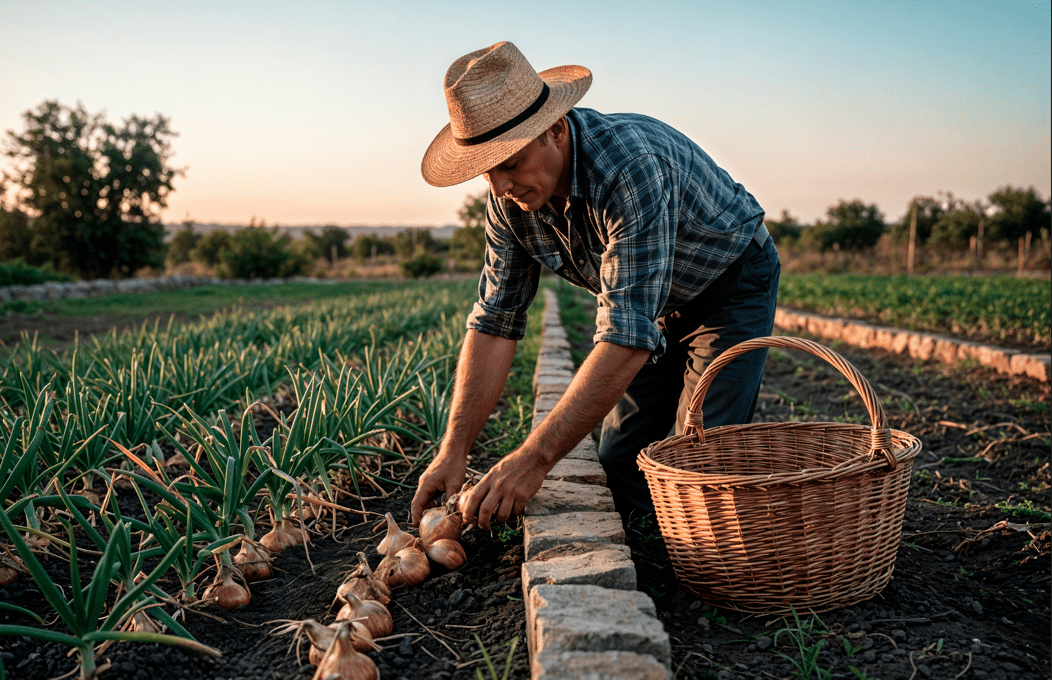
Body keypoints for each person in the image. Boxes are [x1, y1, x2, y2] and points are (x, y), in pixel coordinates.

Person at [410, 41, 780, 531]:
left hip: (728, 282)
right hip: (654, 305)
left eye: (511, 163)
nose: (499, 187)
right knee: (619, 464)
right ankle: (654, 549)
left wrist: (533, 459)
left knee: (700, 458)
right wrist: (453, 451)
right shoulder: (509, 205)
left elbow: (626, 338)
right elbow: (495, 321)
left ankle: (710, 558)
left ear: (555, 130)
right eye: (486, 172)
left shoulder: (629, 168)